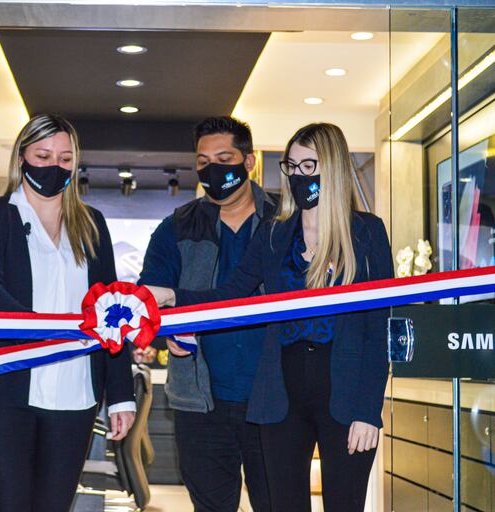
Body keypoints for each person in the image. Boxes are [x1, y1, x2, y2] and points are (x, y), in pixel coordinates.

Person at [149, 123, 393, 512]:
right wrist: (173, 296)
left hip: (344, 393)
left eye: (309, 165)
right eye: (291, 166)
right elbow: (229, 297)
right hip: (281, 395)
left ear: (331, 168)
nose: (298, 176)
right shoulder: (274, 234)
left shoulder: (366, 234)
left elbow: (378, 329)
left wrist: (369, 411)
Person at [0, 114, 136, 512]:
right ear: (21, 157)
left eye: (65, 158)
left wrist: (121, 396)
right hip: (4, 391)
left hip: (75, 393)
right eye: (43, 155)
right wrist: (59, 332)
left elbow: (112, 312)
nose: (55, 166)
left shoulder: (92, 225)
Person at [138, 116, 273, 512]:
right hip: (199, 405)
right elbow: (150, 302)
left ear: (249, 161)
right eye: (202, 161)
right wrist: (168, 333)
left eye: (224, 157)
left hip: (273, 402)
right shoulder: (174, 227)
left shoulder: (285, 220)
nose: (211, 169)